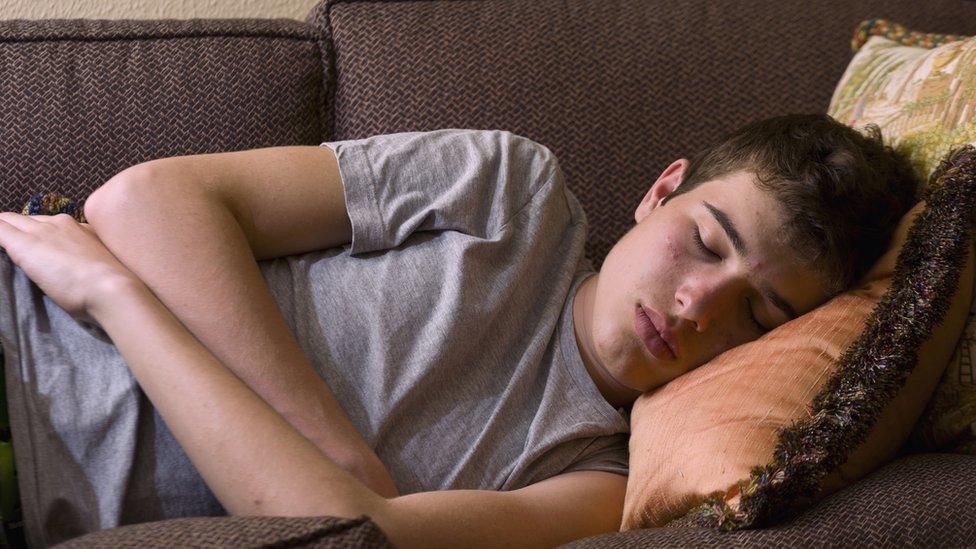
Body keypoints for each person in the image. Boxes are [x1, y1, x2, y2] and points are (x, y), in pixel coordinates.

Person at [0, 113, 919, 547]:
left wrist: (117, 296)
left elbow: (344, 537)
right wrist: (332, 451)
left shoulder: (598, 486)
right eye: (704, 241)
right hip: (22, 314)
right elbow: (151, 197)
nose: (695, 305)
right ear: (660, 189)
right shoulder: (510, 191)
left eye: (761, 314)